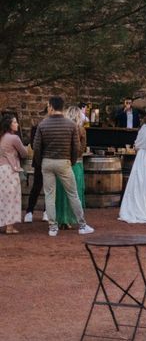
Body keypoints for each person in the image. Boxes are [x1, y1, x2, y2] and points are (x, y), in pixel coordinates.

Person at [33, 96, 94, 236]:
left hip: (47, 162)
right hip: (64, 162)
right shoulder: (71, 125)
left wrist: (40, 161)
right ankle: (82, 225)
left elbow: (37, 147)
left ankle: (53, 227)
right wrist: (71, 161)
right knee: (73, 194)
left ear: (51, 107)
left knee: (49, 195)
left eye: (48, 106)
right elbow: (76, 147)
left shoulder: (42, 124)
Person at [55, 106, 87, 229]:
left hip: (62, 162)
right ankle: (74, 218)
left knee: (61, 191)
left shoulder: (61, 129)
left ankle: (62, 218)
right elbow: (81, 149)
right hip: (76, 163)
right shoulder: (81, 130)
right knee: (75, 193)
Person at [0, 115, 27, 234]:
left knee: (2, 197)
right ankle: (9, 227)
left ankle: (4, 223)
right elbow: (24, 153)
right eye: (15, 122)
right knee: (12, 198)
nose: (17, 124)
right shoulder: (14, 138)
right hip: (11, 169)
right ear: (9, 125)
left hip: (1, 169)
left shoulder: (2, 137)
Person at [24, 106, 49, 223]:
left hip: (49, 159)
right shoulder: (36, 127)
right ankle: (29, 211)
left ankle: (46, 211)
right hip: (39, 160)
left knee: (49, 187)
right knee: (36, 187)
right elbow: (33, 145)